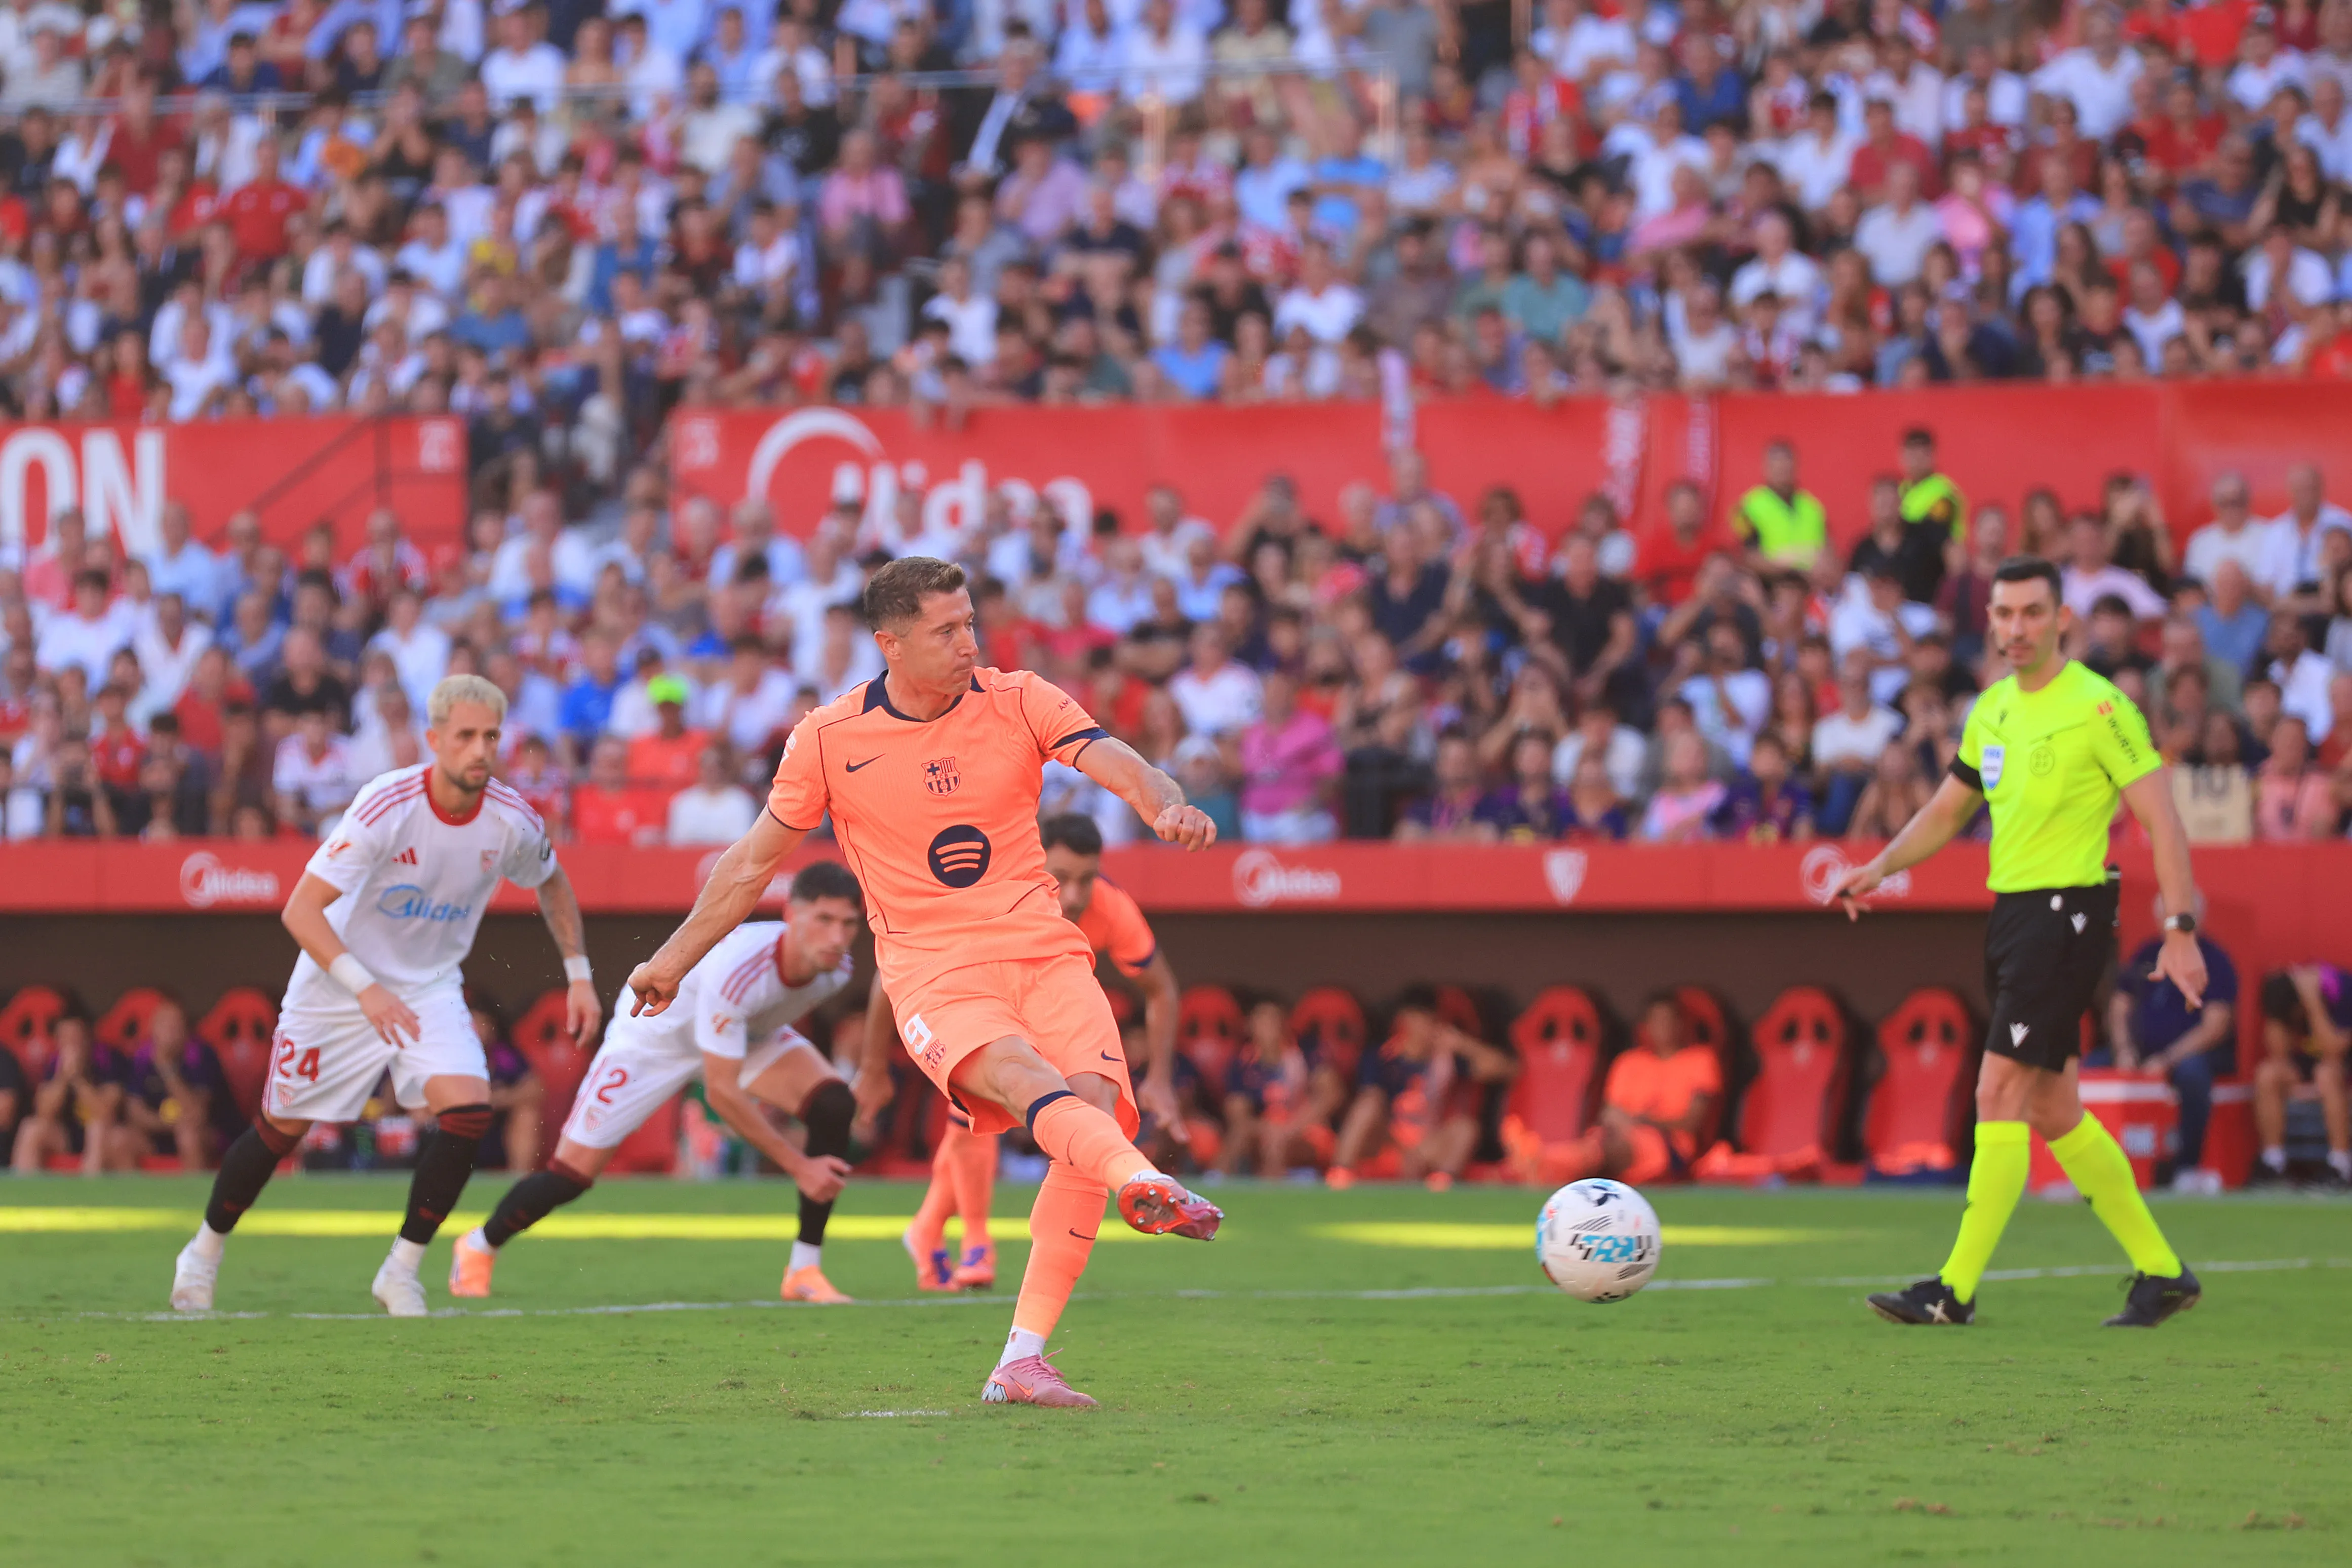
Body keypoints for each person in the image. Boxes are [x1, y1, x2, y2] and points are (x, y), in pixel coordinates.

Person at [624, 557, 1222, 1410]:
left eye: (970, 622)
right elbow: (752, 862)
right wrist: (672, 958)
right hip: (934, 973)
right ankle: (1140, 1182)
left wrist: (1161, 802)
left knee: (1089, 1108)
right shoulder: (828, 739)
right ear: (890, 644)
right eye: (946, 630)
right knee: (1035, 1089)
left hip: (1045, 955)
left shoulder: (1016, 697)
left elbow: (1116, 759)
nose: (967, 642)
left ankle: (1021, 1358)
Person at [1834, 556, 2208, 1328]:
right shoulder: (1992, 709)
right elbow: (1946, 812)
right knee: (2054, 1107)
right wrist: (1880, 865)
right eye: (2003, 614)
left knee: (1996, 1092)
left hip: (2067, 914)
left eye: (2032, 613)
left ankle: (1954, 1290)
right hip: (2012, 917)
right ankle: (2162, 1272)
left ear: (2061, 619)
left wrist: (2179, 929)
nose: (2015, 629)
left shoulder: (2101, 709)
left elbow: (2161, 821)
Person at [169, 675, 601, 1317]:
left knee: (469, 1112)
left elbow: (553, 881)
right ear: (434, 740)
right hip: (337, 981)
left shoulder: (512, 819)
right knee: (279, 1131)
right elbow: (302, 911)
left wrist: (580, 973)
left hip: (428, 985)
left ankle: (401, 1270)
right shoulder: (386, 805)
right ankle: (201, 1253)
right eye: (465, 736)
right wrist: (366, 991)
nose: (480, 750)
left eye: (491, 736)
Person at [453, 863, 867, 1301]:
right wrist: (800, 1165)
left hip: (740, 1038)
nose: (837, 937)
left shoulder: (837, 969)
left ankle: (804, 1269)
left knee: (834, 1105)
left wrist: (873, 1071)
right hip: (653, 1041)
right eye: (824, 920)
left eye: (848, 924)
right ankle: (479, 1245)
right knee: (570, 1175)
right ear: (791, 915)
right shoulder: (742, 969)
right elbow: (722, 1093)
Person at [887, 812, 1186, 1295]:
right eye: (1061, 877)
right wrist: (868, 1065)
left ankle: (926, 1229)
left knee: (1064, 1108)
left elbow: (1161, 989)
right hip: (972, 1003)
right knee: (972, 1109)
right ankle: (976, 1242)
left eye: (1086, 880)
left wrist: (1161, 1079)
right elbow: (894, 969)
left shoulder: (1111, 907)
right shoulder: (988, 893)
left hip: (1050, 1008)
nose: (1073, 895)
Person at [1503, 992, 1720, 1187]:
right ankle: (1545, 1163)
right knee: (1597, 1142)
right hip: (1618, 1137)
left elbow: (1693, 1123)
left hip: (1670, 1147)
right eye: (1656, 1020)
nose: (1662, 1026)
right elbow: (1610, 1112)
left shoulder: (1701, 1059)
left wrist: (1642, 1121)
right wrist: (1618, 1123)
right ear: (1645, 1026)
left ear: (1681, 1024)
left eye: (1668, 1020)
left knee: (1604, 1150)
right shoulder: (1629, 1061)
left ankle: (1543, 1161)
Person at [2103, 900, 2238, 1192]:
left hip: (2194, 1054)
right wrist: (2124, 1049)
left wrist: (2168, 1059)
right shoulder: (2147, 954)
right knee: (2090, 1067)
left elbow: (2216, 1026)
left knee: (2193, 1076)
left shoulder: (2214, 959)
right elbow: (2119, 1005)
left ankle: (2187, 1168)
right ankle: (2082, 1169)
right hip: (2141, 1052)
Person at [1329, 985, 1517, 1188]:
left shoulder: (1447, 1058)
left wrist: (1464, 1044)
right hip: (1388, 1143)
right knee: (1369, 1104)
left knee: (1466, 1128)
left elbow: (1508, 1070)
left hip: (1428, 1144)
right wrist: (1401, 1149)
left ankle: (1442, 1184)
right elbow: (1368, 1106)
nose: (1427, 1026)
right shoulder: (1381, 1056)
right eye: (1420, 1019)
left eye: (1432, 1020)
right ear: (1404, 1020)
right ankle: (1340, 1172)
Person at [2251, 966, 2351, 1189]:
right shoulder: (2285, 997)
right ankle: (2273, 1164)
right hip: (2308, 1076)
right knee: (2268, 1073)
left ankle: (2340, 1165)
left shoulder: (2344, 992)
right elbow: (2278, 1053)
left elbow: (2332, 1051)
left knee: (2326, 1074)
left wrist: (2312, 1003)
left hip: (2342, 1074)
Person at [9, 1011, 131, 1176]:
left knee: (97, 1129)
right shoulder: (54, 1064)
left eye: (76, 1038)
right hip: (67, 1135)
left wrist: (78, 1080)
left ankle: (89, 1192)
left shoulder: (107, 1061)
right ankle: (24, 1196)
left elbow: (105, 1113)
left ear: (88, 1039)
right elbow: (44, 1112)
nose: (71, 1044)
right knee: (31, 1128)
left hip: (104, 1136)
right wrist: (63, 1077)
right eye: (65, 1038)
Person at [125, 998, 239, 1174]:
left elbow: (196, 1114)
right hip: (161, 1131)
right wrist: (167, 1124)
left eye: (176, 1025)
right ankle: (136, 1200)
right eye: (164, 1025)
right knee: (120, 1140)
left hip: (208, 1135)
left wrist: (167, 1068)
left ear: (186, 1030)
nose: (170, 1031)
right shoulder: (142, 1058)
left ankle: (194, 1199)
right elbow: (135, 1112)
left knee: (188, 1135)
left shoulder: (202, 1055)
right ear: (152, 1029)